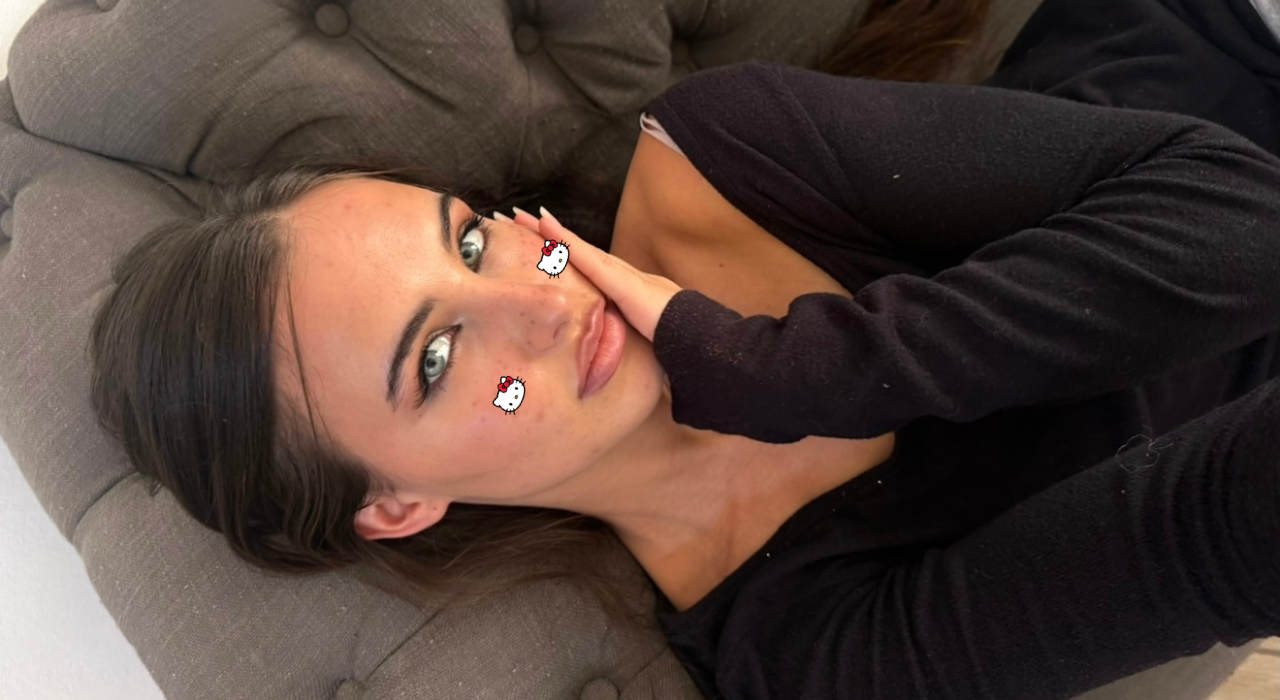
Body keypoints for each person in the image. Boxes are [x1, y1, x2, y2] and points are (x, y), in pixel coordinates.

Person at [86, 1, 1280, 700]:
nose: (538, 301)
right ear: (397, 502)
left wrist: (788, 368)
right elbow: (1215, 537)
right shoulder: (797, 646)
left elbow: (1237, 210)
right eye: (438, 361)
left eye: (472, 238)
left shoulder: (718, 156)